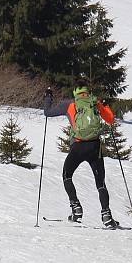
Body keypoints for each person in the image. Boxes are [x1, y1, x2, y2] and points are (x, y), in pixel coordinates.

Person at [43, 80, 119, 228]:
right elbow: (110, 120)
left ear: (75, 92)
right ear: (87, 91)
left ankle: (76, 208)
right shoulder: (94, 102)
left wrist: (48, 97)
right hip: (94, 146)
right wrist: (106, 104)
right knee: (100, 183)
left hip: (78, 146)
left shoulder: (69, 104)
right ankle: (107, 216)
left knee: (67, 175)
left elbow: (47, 113)